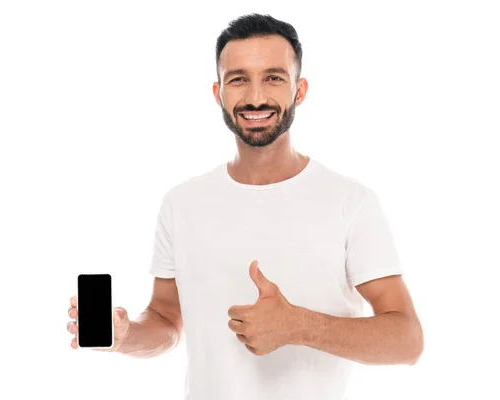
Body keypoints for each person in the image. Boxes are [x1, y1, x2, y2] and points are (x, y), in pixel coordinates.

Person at [66, 13, 424, 400]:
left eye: (273, 78)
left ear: (299, 91)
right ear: (218, 92)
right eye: (238, 79)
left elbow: (407, 340)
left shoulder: (350, 202)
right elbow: (166, 320)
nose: (255, 97)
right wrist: (125, 336)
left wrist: (298, 325)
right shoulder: (182, 204)